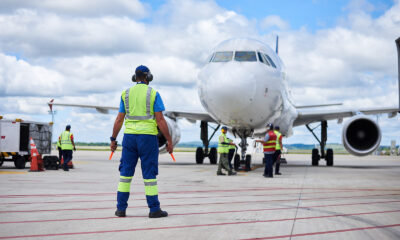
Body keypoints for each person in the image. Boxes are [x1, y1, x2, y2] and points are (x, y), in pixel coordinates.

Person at [110, 65, 173, 219]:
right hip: (148, 138)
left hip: (129, 138)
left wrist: (113, 139)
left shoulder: (125, 94)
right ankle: (154, 209)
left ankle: (120, 209)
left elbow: (119, 119)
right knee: (149, 175)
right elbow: (160, 119)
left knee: (125, 174)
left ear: (135, 77)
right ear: (148, 77)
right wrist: (169, 140)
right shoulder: (153, 93)